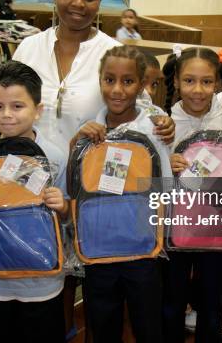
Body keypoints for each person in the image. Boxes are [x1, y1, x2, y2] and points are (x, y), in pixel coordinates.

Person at [13, 0, 175, 154]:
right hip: (29, 170)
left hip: (88, 176)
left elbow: (142, 112)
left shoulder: (116, 55)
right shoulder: (28, 49)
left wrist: (162, 123)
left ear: (99, 1)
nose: (79, 3)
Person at [70, 45, 172, 343]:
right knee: (102, 325)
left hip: (143, 250)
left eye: (127, 82)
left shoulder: (155, 128)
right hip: (98, 249)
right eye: (109, 79)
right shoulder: (89, 129)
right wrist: (77, 141)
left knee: (148, 324)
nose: (117, 90)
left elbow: (164, 186)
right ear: (99, 80)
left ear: (141, 85)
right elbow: (74, 187)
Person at [0, 61, 68, 343]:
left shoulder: (54, 156)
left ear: (38, 110)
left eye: (17, 106)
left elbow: (69, 210)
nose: (6, 115)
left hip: (43, 278)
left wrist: (62, 204)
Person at [162, 47, 222, 343]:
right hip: (172, 228)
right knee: (171, 295)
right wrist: (166, 166)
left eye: (206, 81)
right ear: (176, 81)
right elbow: (147, 177)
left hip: (216, 228)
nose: (198, 90)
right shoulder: (162, 122)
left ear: (217, 83)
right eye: (189, 81)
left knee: (211, 296)